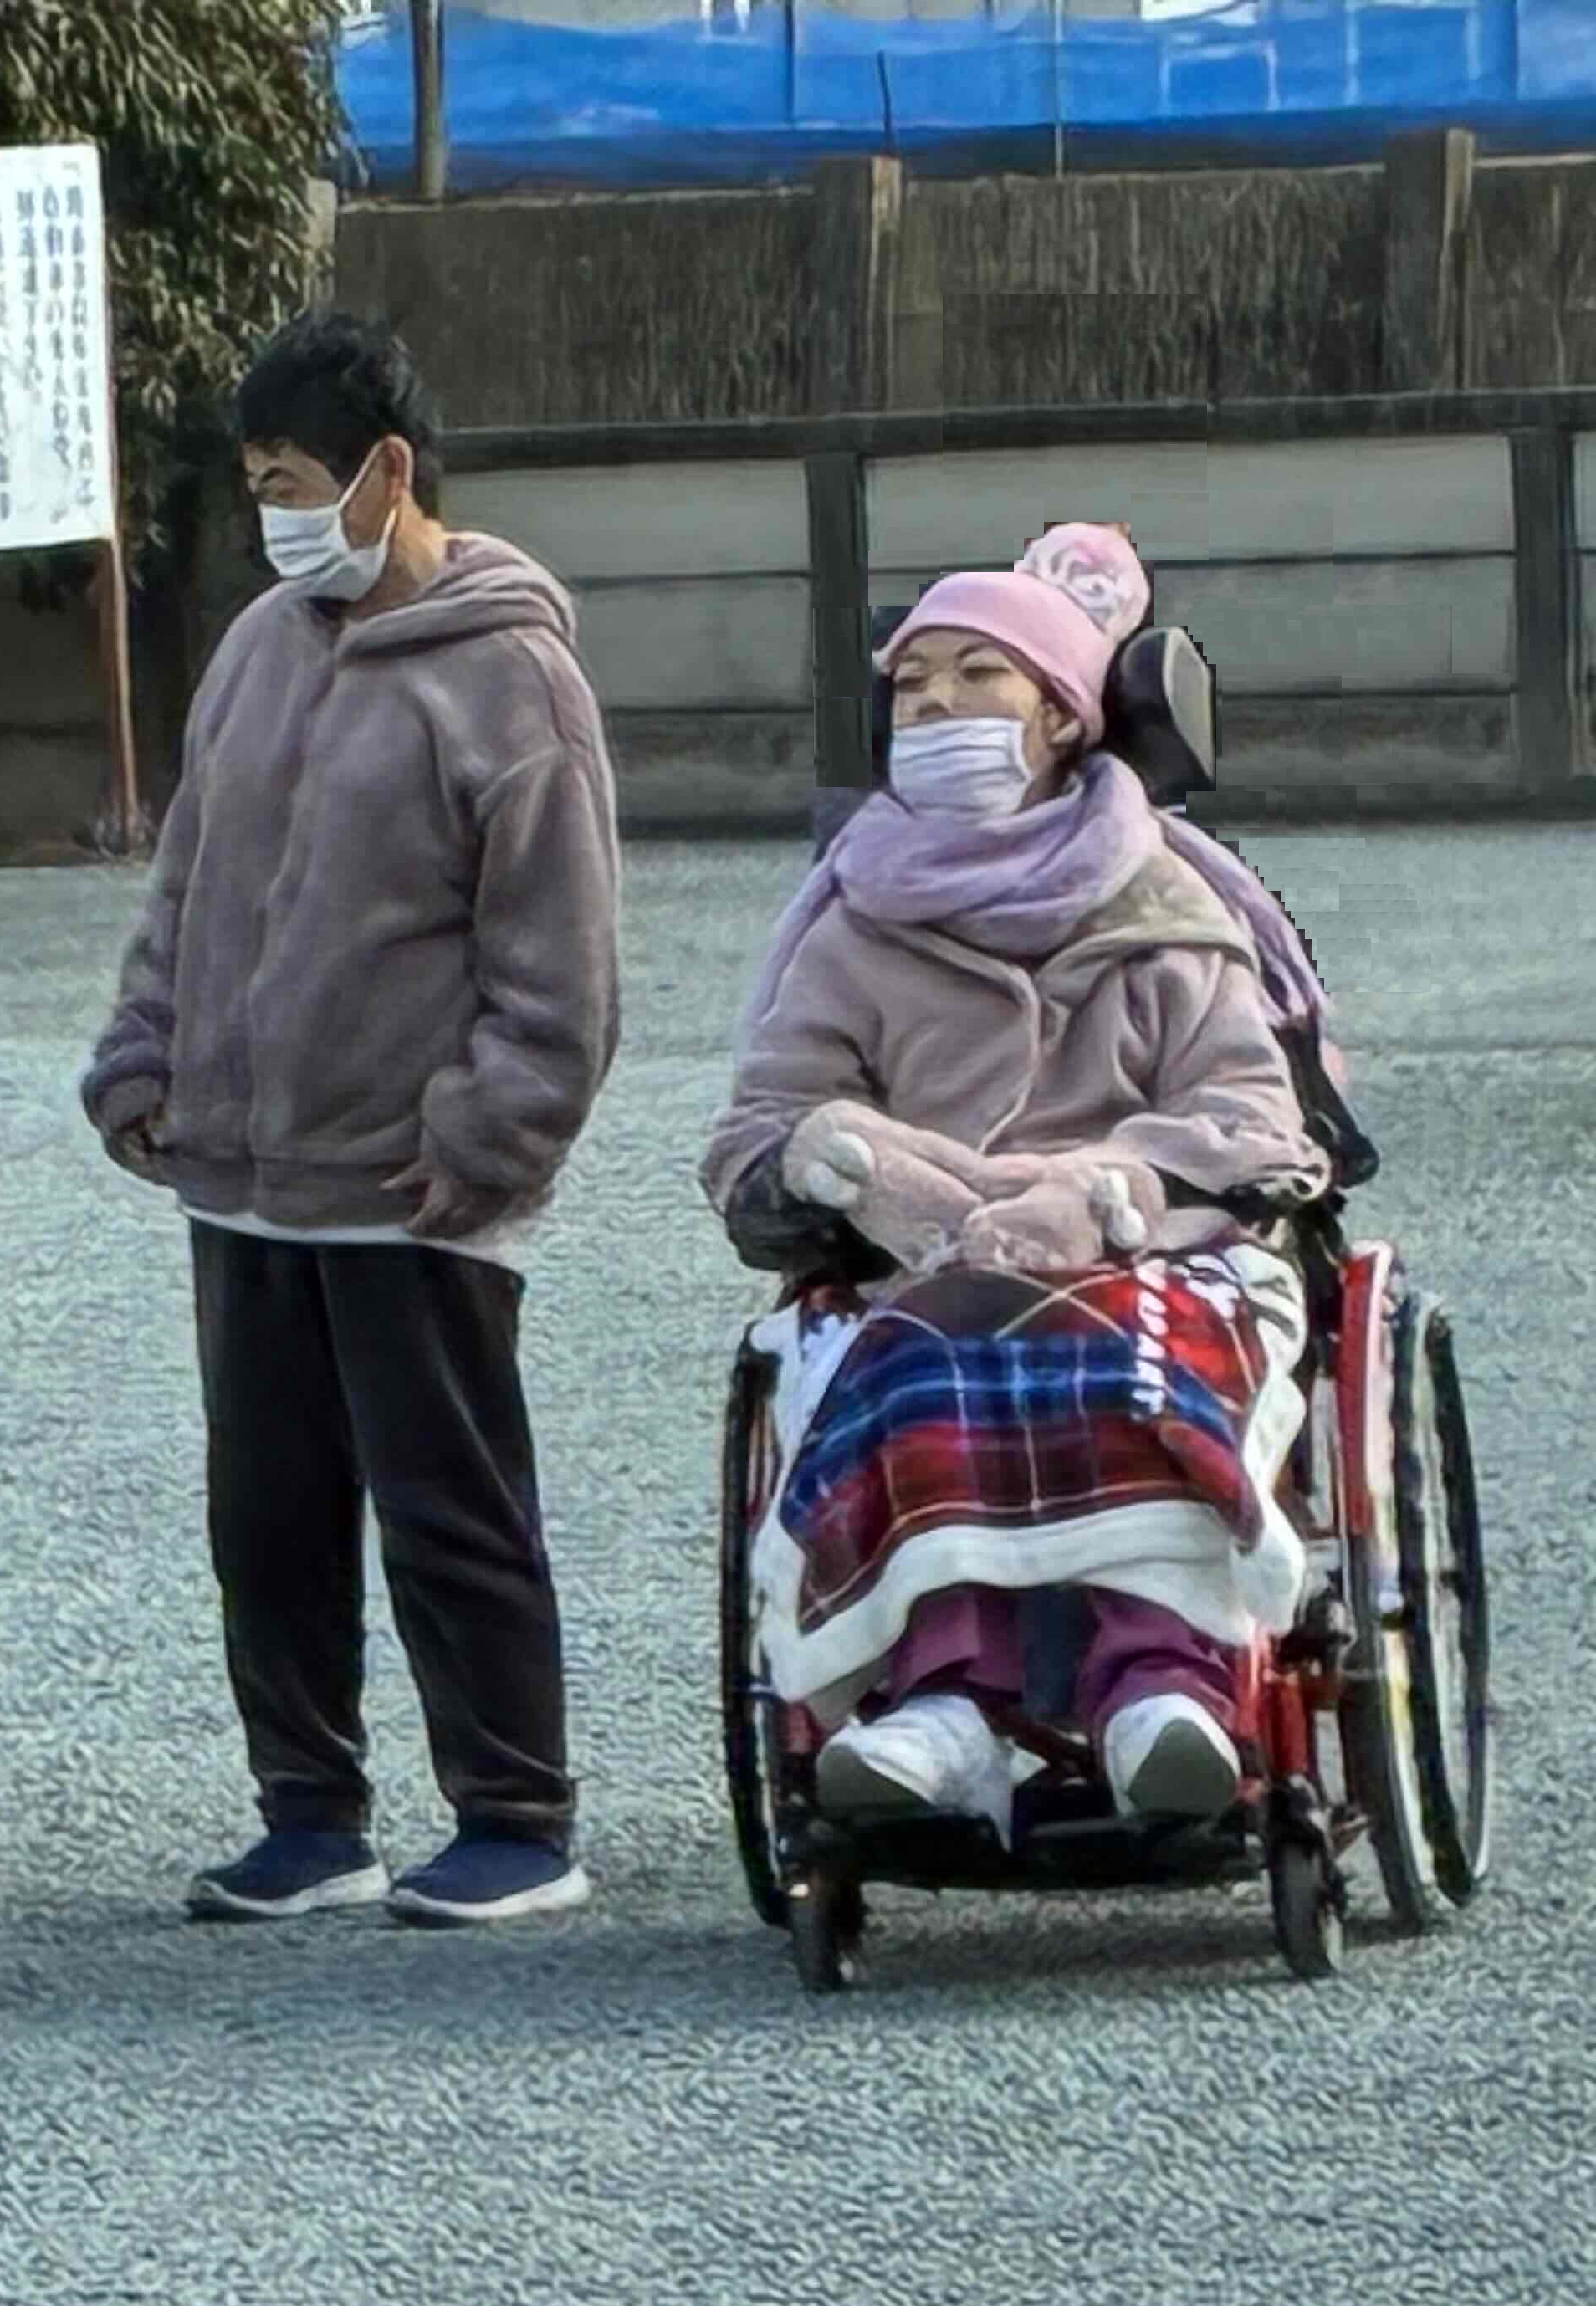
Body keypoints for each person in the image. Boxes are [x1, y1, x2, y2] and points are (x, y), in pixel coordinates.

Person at [81, 311, 622, 1930]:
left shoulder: (513, 676)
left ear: (388, 471)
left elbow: (560, 960)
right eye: (255, 483)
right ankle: (310, 1814)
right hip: (240, 1178)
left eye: (290, 481)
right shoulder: (258, 645)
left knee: (448, 1507)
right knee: (266, 1519)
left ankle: (516, 1816)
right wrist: (142, 1054)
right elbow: (187, 877)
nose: (271, 515)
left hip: (409, 1186)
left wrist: (482, 1137)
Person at [698, 523, 1333, 1833]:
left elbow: (1252, 1113)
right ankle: (947, 1704)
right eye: (912, 684)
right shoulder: (852, 926)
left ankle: (1165, 1684)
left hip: (1155, 1250)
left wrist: (1109, 1189)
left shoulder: (1164, 909)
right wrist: (849, 1164)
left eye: (974, 675)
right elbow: (760, 1125)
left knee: (1136, 1345)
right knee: (919, 1349)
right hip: (928, 1267)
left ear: (1059, 712)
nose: (934, 706)